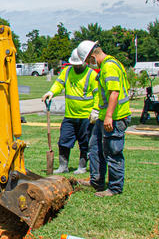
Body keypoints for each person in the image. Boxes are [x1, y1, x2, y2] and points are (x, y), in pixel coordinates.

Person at [77, 41, 131, 197]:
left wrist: (108, 116)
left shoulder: (109, 66)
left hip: (115, 117)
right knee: (95, 149)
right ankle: (96, 181)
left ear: (92, 56)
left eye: (88, 61)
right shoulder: (108, 64)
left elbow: (114, 92)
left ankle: (114, 188)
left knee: (112, 152)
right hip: (104, 117)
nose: (88, 64)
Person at [41, 48, 98, 174]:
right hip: (70, 116)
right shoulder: (67, 72)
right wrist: (51, 92)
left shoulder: (91, 74)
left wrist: (95, 110)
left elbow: (97, 94)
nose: (76, 67)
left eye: (78, 64)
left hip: (86, 117)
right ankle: (63, 166)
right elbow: (59, 84)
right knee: (64, 141)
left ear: (84, 62)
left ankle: (82, 166)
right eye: (74, 64)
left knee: (85, 143)